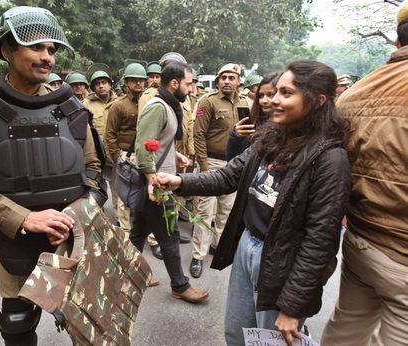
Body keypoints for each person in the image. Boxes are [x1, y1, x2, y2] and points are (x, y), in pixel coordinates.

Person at [156, 60, 351, 345]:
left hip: (283, 261)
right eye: (274, 93)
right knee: (237, 334)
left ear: (318, 100)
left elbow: (320, 241)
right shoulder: (270, 139)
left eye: (286, 93)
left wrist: (293, 305)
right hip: (248, 246)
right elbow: (227, 176)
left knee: (271, 339)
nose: (273, 100)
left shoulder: (330, 160)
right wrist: (180, 183)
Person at [0, 6, 103, 345]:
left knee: (87, 317)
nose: (47, 57)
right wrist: (24, 217)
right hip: (13, 239)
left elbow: (93, 169)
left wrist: (75, 214)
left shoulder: (72, 111)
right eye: (36, 47)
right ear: (6, 50)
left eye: (51, 49)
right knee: (18, 320)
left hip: (70, 237)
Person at [321, 3, 408, 345]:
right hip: (401, 255)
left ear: (397, 40)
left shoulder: (356, 93)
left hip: (360, 242)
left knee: (345, 331)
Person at [131, 61, 209, 303]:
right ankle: (180, 285)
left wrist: (175, 155)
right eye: (188, 84)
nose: (191, 88)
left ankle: (129, 274)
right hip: (155, 186)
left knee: (137, 235)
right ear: (174, 83)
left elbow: (158, 141)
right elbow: (143, 145)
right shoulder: (158, 107)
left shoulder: (169, 105)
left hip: (156, 182)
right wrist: (151, 181)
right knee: (170, 236)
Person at [190, 63, 249, 278]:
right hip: (212, 164)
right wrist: (203, 167)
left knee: (226, 210)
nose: (226, 81)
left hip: (235, 164)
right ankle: (198, 254)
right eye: (223, 77)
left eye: (231, 77)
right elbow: (198, 135)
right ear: (218, 80)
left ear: (238, 81)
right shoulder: (208, 101)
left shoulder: (246, 103)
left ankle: (217, 246)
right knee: (205, 211)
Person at [104, 62, 146, 235]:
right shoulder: (118, 105)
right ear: (126, 83)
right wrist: (116, 158)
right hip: (125, 154)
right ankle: (126, 236)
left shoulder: (150, 102)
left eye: (141, 80)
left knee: (148, 195)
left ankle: (149, 237)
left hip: (146, 153)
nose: (138, 83)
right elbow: (110, 134)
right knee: (124, 197)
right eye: (133, 80)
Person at [226, 73, 278, 161]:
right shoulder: (254, 121)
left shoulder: (289, 128)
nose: (264, 101)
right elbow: (234, 163)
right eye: (261, 95)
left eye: (270, 95)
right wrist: (236, 138)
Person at [83, 68, 117, 137]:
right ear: (93, 88)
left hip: (115, 145)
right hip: (97, 145)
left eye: (104, 82)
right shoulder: (86, 104)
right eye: (97, 84)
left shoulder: (119, 102)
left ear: (110, 85)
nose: (101, 86)